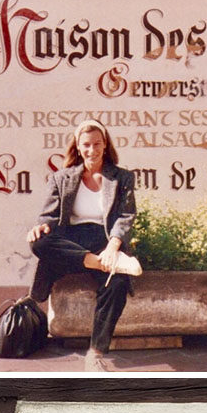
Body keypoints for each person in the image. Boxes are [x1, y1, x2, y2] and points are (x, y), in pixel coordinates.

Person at [26, 119, 141, 371]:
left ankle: (96, 353)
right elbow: (48, 216)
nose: (92, 150)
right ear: (78, 147)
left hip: (104, 240)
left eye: (97, 144)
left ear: (105, 145)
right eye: (86, 145)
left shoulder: (122, 178)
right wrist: (41, 226)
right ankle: (92, 261)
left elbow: (126, 216)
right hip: (72, 243)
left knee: (118, 283)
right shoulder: (61, 178)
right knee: (38, 242)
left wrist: (113, 248)